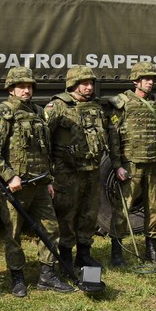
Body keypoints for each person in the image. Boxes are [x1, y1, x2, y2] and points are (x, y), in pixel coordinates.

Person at [0, 66, 74, 297]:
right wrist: (9, 176)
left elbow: (46, 150)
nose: (26, 90)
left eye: (29, 86)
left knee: (51, 229)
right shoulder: (3, 114)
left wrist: (50, 180)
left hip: (40, 184)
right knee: (14, 232)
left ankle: (47, 275)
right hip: (17, 186)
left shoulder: (39, 112)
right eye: (21, 86)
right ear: (11, 89)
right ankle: (17, 278)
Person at [108, 61, 156, 266]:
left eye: (152, 79)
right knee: (123, 208)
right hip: (131, 166)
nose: (150, 82)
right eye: (146, 79)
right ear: (135, 80)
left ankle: (152, 250)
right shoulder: (122, 103)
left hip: (153, 165)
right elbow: (113, 137)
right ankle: (117, 251)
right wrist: (117, 164)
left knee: (153, 208)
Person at [44, 66, 109, 273]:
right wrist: (49, 172)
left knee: (89, 214)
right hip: (66, 173)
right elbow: (43, 140)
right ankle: (65, 258)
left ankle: (84, 255)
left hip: (92, 170)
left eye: (91, 83)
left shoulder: (96, 107)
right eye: (85, 83)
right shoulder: (58, 106)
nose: (89, 87)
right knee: (66, 215)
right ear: (73, 84)